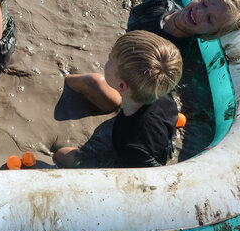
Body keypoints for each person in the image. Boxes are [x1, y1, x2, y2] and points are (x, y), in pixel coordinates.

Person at [65, 0, 240, 113]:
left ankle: (63, 80)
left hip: (124, 74)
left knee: (99, 86)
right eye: (203, 3)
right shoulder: (162, 4)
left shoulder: (175, 53)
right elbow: (128, 16)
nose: (199, 13)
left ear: (210, 34)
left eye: (210, 19)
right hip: (117, 54)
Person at [54, 30, 183, 168]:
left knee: (63, 155)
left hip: (127, 155)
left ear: (122, 86)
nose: (108, 57)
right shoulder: (160, 88)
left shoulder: (131, 146)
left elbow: (153, 173)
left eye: (111, 60)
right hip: (154, 134)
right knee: (95, 82)